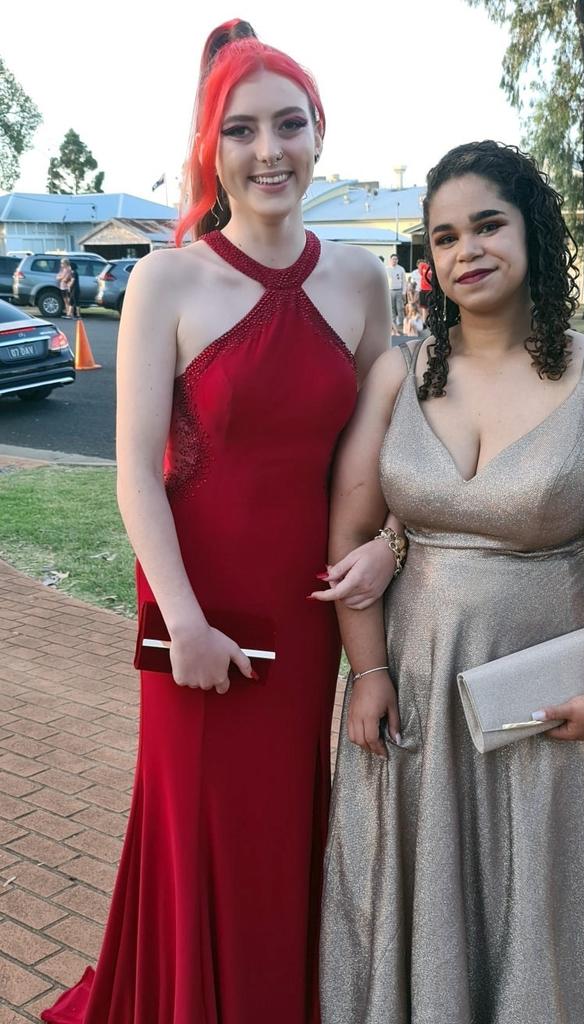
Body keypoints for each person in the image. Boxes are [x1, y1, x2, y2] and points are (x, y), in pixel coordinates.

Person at [42, 18, 397, 1024]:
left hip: (308, 608)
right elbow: (135, 478)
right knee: (196, 822)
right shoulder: (166, 279)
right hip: (198, 614)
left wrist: (390, 542)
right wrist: (184, 621)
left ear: (320, 134)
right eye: (240, 130)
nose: (268, 149)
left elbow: (386, 460)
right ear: (212, 149)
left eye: (290, 124)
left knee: (283, 827)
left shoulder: (361, 281)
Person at [318, 141, 584, 1023]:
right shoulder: (401, 371)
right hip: (413, 672)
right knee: (421, 863)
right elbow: (351, 528)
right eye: (444, 237)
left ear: (533, 233)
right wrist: (365, 674)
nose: (465, 251)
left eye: (487, 225)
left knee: (539, 869)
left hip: (543, 674)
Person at [385, 253, 407, 334]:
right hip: (390, 291)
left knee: (400, 308)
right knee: (392, 309)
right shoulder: (386, 269)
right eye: (393, 259)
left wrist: (404, 292)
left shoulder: (401, 269)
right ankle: (393, 326)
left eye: (396, 259)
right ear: (390, 260)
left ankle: (401, 325)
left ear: (397, 260)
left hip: (399, 291)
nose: (394, 260)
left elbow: (404, 281)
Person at [417, 254, 432, 318]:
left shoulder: (434, 266)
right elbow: (420, 273)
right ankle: (424, 321)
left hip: (431, 289)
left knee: (431, 307)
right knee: (424, 307)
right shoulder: (422, 265)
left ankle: (431, 321)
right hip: (423, 289)